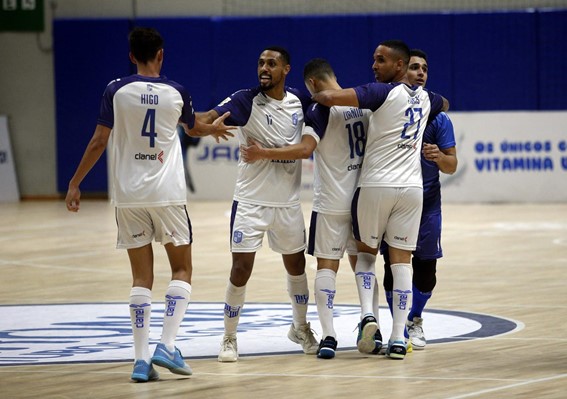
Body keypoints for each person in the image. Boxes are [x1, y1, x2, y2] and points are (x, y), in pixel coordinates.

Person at [64, 27, 234, 382]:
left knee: (141, 277)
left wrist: (76, 182)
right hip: (167, 195)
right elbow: (192, 129)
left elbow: (98, 140)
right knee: (182, 270)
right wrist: (212, 129)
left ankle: (141, 360)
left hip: (128, 197)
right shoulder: (177, 92)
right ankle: (167, 345)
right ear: (161, 54)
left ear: (130, 55)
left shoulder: (116, 90)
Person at [312, 39, 447, 360]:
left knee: (366, 256)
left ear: (399, 66)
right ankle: (399, 337)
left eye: (380, 60)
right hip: (412, 190)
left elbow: (330, 97)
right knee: (402, 262)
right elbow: (446, 103)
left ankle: (368, 317)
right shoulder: (429, 98)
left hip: (375, 186)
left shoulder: (380, 92)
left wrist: (312, 94)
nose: (374, 65)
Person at [240, 58, 371, 359]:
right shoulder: (364, 105)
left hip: (331, 202)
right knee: (363, 260)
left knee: (327, 267)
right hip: (363, 200)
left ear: (312, 84)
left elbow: (305, 150)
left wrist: (262, 153)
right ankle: (369, 317)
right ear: (333, 76)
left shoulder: (319, 110)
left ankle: (328, 336)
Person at [196, 46, 318, 362]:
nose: (265, 68)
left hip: (288, 204)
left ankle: (301, 327)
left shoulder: (299, 102)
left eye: (272, 64)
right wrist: (204, 125)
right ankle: (229, 337)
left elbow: (319, 124)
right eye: (261, 63)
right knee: (240, 269)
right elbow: (208, 118)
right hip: (251, 202)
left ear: (286, 69)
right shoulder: (244, 100)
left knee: (297, 266)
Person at [381, 49, 457, 350]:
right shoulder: (387, 108)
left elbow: (453, 165)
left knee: (426, 270)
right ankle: (397, 326)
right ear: (402, 71)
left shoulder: (438, 118)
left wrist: (439, 157)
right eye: (415, 67)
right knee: (391, 266)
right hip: (394, 201)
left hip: (427, 205)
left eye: (425, 68)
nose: (421, 72)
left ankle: (414, 319)